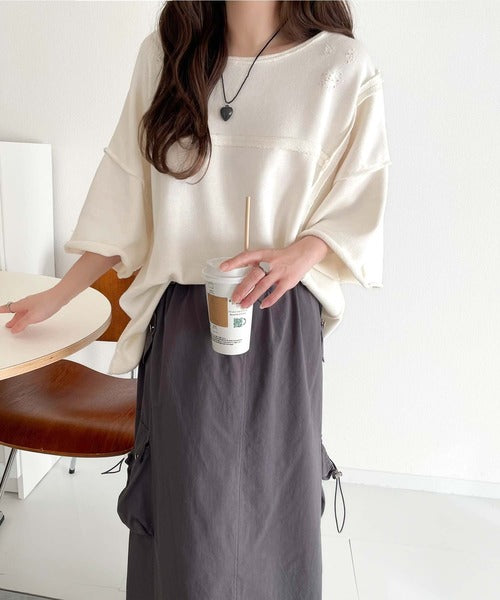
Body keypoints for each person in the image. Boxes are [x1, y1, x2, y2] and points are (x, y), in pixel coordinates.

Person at [1, 1, 391, 598]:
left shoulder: (340, 66)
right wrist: (58, 295)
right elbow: (124, 190)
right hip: (184, 322)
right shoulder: (168, 55)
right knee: (189, 510)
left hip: (280, 317)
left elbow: (360, 190)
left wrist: (304, 252)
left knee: (273, 506)